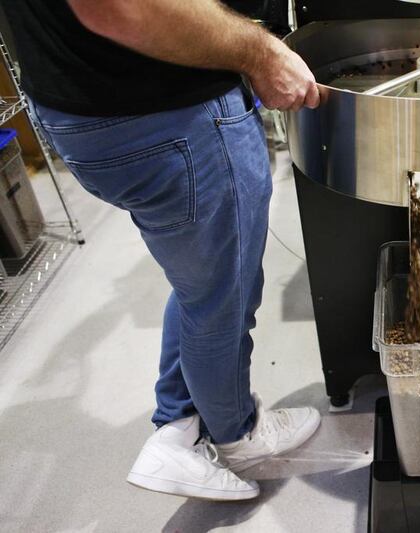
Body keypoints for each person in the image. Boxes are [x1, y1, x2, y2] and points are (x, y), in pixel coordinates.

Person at [3, 0, 322, 501]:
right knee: (226, 298)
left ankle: (178, 425)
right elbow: (121, 8)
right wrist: (261, 54)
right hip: (170, 115)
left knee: (204, 283)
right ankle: (238, 435)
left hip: (83, 110)